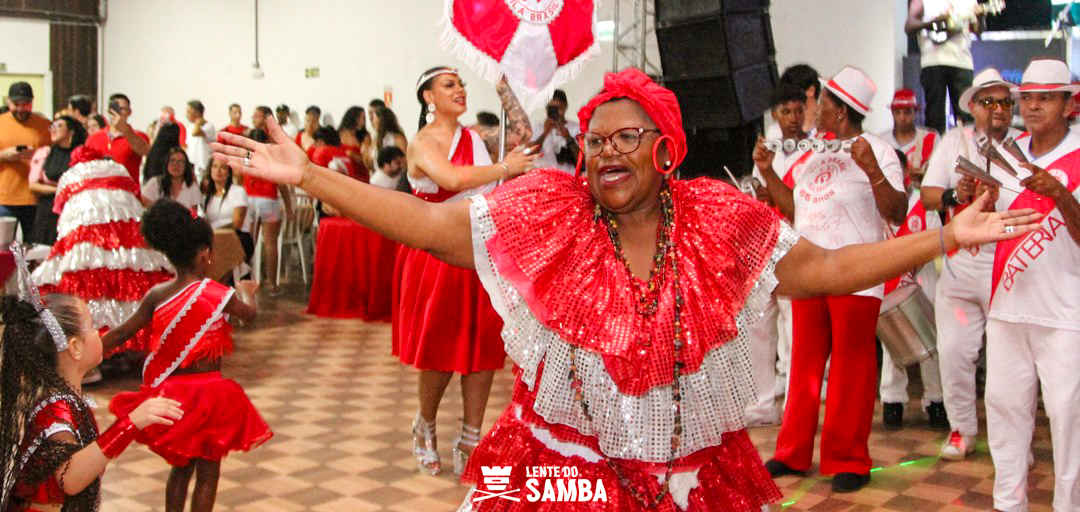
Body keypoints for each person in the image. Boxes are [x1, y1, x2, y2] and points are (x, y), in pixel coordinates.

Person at [212, 67, 1035, 510]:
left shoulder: (719, 219)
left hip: (693, 480)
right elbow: (424, 224)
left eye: (626, 136)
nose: (605, 151)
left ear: (665, 147)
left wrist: (940, 238)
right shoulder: (547, 217)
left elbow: (820, 270)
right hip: (564, 479)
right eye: (595, 139)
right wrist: (315, 179)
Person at [756, 65, 907, 493]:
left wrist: (872, 169)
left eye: (819, 102)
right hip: (809, 271)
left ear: (840, 111)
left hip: (856, 272)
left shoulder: (877, 148)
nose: (812, 109)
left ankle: (848, 459)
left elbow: (897, 211)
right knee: (802, 363)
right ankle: (792, 452)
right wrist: (768, 173)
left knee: (851, 365)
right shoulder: (810, 153)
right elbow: (791, 208)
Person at [394, 67, 534, 477]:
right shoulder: (421, 143)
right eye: (449, 85)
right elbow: (453, 177)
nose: (459, 90)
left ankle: (472, 436)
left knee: (481, 349)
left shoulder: (476, 137)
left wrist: (502, 83)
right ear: (428, 97)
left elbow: (521, 133)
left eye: (462, 83)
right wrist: (504, 169)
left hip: (479, 250)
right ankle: (425, 424)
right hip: (436, 255)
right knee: (440, 350)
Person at [104, 200, 271, 512]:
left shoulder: (157, 294)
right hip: (212, 396)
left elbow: (120, 333)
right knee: (209, 472)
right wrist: (248, 289)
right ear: (205, 253)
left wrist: (84, 353)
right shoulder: (219, 294)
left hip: (174, 397)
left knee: (180, 469)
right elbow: (250, 314)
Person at [984, 58, 1080, 512]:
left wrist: (1059, 194)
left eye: (1046, 97)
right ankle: (1008, 505)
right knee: (1004, 415)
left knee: (1069, 422)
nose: (1034, 106)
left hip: (1065, 312)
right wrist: (971, 199)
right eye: (1029, 98)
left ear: (1069, 103)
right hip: (1006, 305)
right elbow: (986, 220)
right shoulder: (1005, 153)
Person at [0, 280, 183, 512]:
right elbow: (71, 478)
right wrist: (130, 424)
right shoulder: (56, 407)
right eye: (93, 326)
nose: (100, 331)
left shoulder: (63, 398)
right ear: (75, 347)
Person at [920, 67, 1019, 460]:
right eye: (990, 102)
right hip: (961, 266)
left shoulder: (1024, 146)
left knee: (1007, 361)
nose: (998, 109)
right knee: (955, 351)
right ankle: (961, 429)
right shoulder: (954, 141)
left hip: (1009, 266)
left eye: (1005, 102)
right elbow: (927, 195)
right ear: (973, 107)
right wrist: (952, 194)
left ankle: (1008, 440)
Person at [32, 146, 173, 360]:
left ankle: (91, 354)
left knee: (86, 289)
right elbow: (136, 200)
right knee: (133, 286)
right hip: (128, 243)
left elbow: (61, 210)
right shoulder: (119, 170)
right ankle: (133, 349)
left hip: (85, 242)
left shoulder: (71, 175)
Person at [746, 82, 807, 427]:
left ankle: (797, 406)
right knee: (758, 323)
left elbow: (799, 205)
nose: (794, 118)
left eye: (799, 110)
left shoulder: (814, 151)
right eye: (786, 111)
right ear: (775, 115)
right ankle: (762, 403)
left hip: (799, 246)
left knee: (793, 328)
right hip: (767, 244)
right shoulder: (767, 147)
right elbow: (762, 194)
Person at [878, 149, 946, 432]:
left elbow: (935, 240)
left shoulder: (923, 202)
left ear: (905, 172)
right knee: (892, 343)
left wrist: (909, 265)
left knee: (932, 342)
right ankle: (892, 400)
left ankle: (935, 400)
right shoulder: (875, 203)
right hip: (887, 282)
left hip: (922, 278)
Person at [905, 0, 983, 133]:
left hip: (961, 61)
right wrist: (933, 22)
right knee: (934, 117)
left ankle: (967, 157)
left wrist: (980, 16)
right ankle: (935, 158)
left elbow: (977, 30)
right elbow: (909, 25)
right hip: (934, 61)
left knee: (965, 116)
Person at [245, 107, 292, 295]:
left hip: (249, 200)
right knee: (271, 244)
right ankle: (272, 284)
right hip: (268, 201)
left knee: (249, 244)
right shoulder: (271, 157)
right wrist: (289, 207)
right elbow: (282, 185)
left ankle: (247, 282)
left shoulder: (246, 157)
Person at [0, 81, 52, 239]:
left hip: (36, 198)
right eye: (16, 104)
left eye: (26, 104)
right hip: (4, 198)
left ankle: (26, 266)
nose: (21, 108)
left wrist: (38, 154)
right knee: (5, 248)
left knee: (34, 248)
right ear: (8, 102)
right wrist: (4, 156)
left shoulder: (45, 126)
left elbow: (58, 157)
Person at [28, 115, 87, 246]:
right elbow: (33, 186)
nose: (53, 130)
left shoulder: (82, 153)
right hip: (48, 210)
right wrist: (60, 190)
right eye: (52, 126)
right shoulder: (45, 153)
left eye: (59, 126)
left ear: (71, 131)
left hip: (74, 209)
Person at [85, 93, 150, 192]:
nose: (118, 112)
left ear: (129, 112)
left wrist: (125, 130)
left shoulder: (138, 136)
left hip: (128, 193)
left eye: (122, 109)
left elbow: (144, 151)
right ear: (108, 111)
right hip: (100, 193)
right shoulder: (94, 138)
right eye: (115, 108)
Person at [201, 156, 253, 263]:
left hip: (237, 237)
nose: (218, 171)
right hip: (214, 239)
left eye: (223, 168)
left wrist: (215, 232)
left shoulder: (238, 191)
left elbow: (237, 223)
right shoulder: (207, 196)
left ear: (229, 172)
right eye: (214, 167)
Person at [885, 88, 937, 187]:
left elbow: (939, 172)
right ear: (892, 112)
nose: (902, 118)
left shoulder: (931, 138)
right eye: (897, 112)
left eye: (907, 112)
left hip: (921, 199)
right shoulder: (882, 141)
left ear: (915, 112)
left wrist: (924, 175)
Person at [530, 89, 580, 174]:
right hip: (542, 177)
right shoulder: (538, 127)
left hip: (568, 178)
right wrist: (545, 133)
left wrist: (568, 138)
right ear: (546, 108)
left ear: (565, 106)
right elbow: (529, 153)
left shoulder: (575, 128)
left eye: (559, 108)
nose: (556, 112)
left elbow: (581, 160)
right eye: (552, 109)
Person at [185, 100, 216, 180]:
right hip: (191, 168)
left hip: (203, 167)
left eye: (188, 112)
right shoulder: (190, 127)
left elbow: (196, 132)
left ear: (197, 113)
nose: (186, 115)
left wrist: (198, 122)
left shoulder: (209, 126)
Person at [337, 105, 373, 174]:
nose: (362, 121)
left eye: (364, 118)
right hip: (343, 173)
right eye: (360, 118)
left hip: (360, 174)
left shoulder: (365, 136)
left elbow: (369, 162)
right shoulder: (338, 134)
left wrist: (353, 155)